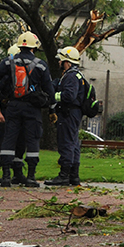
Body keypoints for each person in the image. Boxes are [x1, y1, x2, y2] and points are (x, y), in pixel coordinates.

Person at [0, 32, 53, 187]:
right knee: (32, 140)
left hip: (13, 106)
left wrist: (0, 95)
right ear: (34, 47)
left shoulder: (9, 62)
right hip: (32, 108)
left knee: (9, 139)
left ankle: (5, 177)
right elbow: (49, 91)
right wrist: (51, 108)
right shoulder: (40, 64)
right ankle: (31, 177)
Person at [45, 46, 85, 186]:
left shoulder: (71, 76)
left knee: (66, 144)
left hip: (68, 113)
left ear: (67, 61)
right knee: (73, 144)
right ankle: (73, 176)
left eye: (61, 60)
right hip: (74, 113)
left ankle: (64, 176)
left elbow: (69, 96)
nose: (59, 62)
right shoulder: (77, 75)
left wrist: (53, 96)